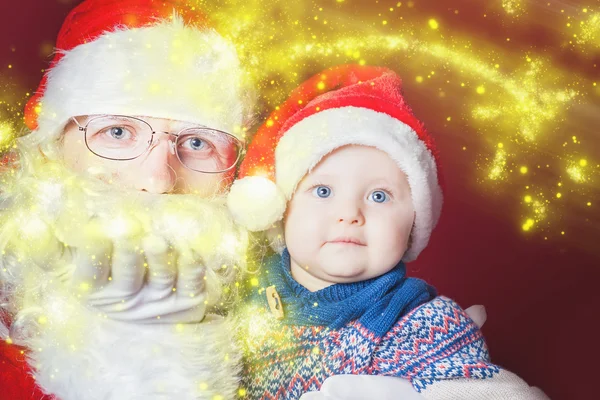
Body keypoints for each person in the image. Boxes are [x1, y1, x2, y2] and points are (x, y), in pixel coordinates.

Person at [227, 64, 549, 399]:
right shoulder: (237, 297)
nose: (349, 214)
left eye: (379, 196)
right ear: (281, 209)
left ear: (412, 223)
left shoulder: (425, 326)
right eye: (323, 191)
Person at [0, 0, 251, 399]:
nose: (156, 181)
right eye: (117, 132)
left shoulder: (287, 334)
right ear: (49, 148)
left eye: (198, 142)